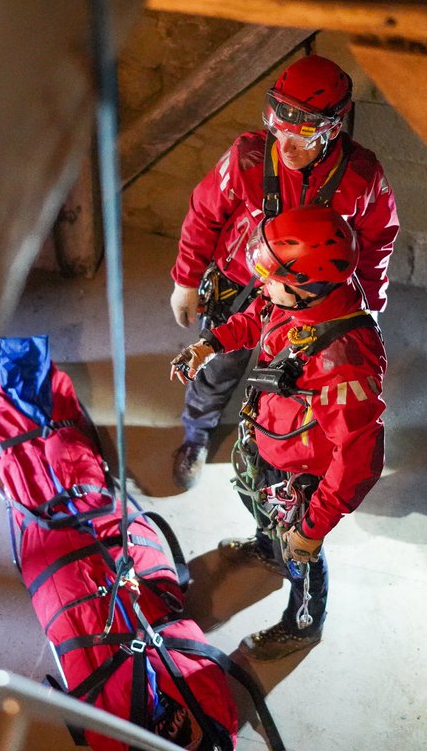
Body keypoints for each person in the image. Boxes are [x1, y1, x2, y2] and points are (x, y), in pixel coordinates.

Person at [169, 52, 399, 490]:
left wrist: (369, 306)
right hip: (242, 277)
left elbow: (377, 240)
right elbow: (204, 213)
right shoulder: (249, 157)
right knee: (216, 362)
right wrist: (185, 279)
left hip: (310, 296)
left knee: (288, 379)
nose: (286, 147)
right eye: (279, 129)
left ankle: (272, 449)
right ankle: (197, 432)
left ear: (334, 127)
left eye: (304, 135)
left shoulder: (362, 176)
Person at [169, 204, 388, 660]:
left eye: (272, 278)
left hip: (303, 475)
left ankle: (303, 624)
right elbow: (257, 317)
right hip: (272, 444)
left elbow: (357, 460)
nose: (262, 286)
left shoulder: (343, 358)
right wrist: (209, 345)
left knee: (302, 558)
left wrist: (311, 529)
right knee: (266, 514)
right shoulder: (299, 297)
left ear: (307, 285)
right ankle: (270, 546)